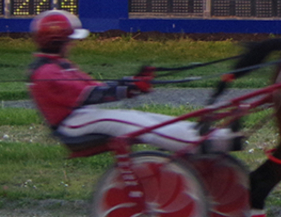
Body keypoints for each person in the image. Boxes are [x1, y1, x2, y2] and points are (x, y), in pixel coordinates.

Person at [27, 9, 236, 154]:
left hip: (81, 117)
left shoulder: (59, 64)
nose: (72, 45)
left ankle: (213, 135)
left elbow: (96, 88)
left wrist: (131, 83)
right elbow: (91, 95)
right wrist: (132, 87)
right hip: (71, 125)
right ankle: (202, 144)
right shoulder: (47, 71)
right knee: (139, 125)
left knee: (141, 117)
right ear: (58, 40)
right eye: (70, 40)